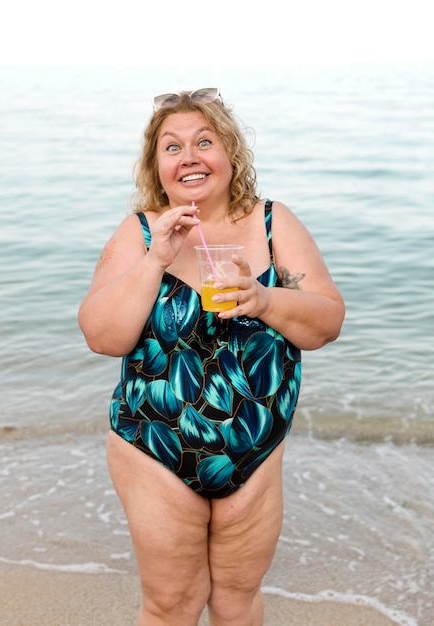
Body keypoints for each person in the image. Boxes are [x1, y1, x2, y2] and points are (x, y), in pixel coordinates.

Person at [78, 87, 345, 626]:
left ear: (230, 153)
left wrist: (266, 299)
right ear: (158, 165)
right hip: (155, 446)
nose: (190, 156)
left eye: (205, 141)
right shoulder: (139, 232)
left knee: (236, 601)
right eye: (172, 147)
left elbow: (327, 322)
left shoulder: (274, 223)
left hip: (256, 451)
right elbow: (102, 336)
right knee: (172, 604)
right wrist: (156, 259)